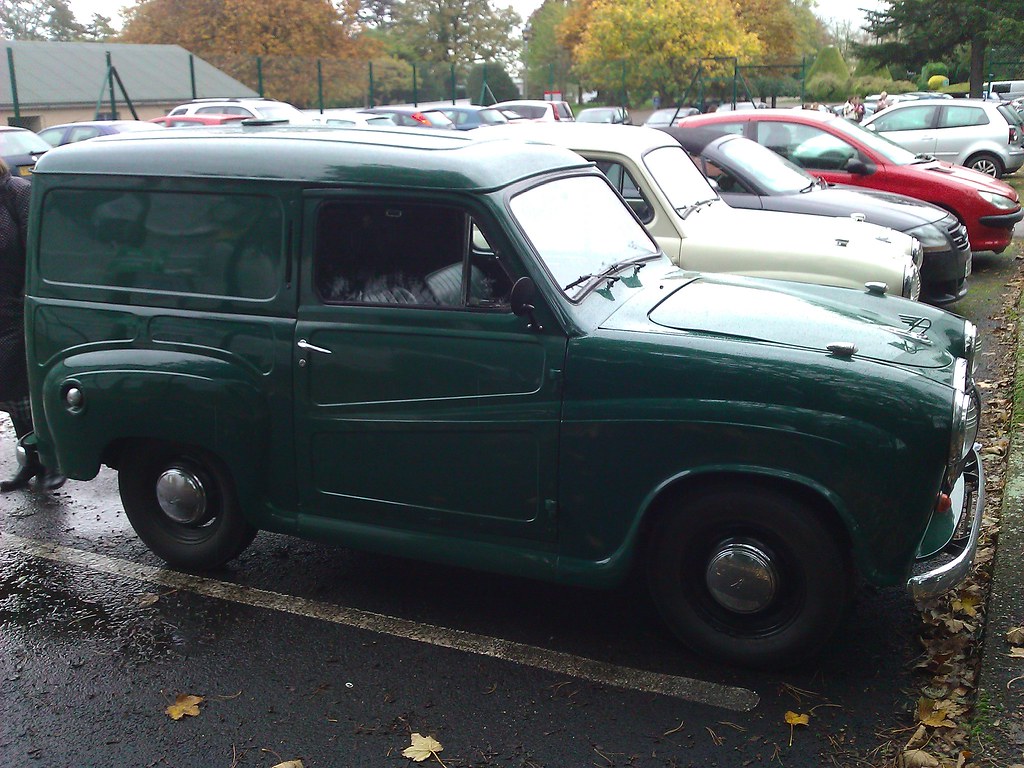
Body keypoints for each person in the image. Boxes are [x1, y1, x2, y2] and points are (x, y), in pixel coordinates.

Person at [0, 158, 65, 492]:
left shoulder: (16, 192)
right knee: (10, 395)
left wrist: (25, 298)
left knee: (28, 389)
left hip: (19, 309)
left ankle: (52, 460)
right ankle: (31, 461)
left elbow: (36, 252)